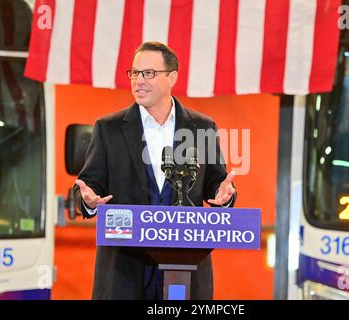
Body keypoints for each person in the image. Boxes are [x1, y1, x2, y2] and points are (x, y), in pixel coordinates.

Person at [73, 41, 236, 300]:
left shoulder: (203, 126)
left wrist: (224, 196)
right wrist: (88, 199)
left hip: (185, 265)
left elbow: (216, 182)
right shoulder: (108, 128)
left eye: (148, 73)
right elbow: (88, 184)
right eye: (134, 73)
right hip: (124, 270)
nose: (138, 81)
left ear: (172, 77)